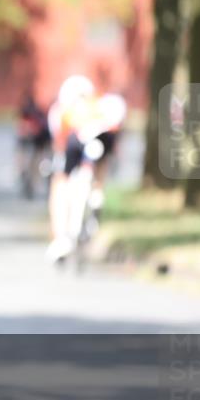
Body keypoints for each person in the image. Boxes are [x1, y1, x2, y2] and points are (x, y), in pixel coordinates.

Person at [45, 76, 125, 262]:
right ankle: (97, 195)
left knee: (60, 182)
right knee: (98, 166)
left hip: (75, 141)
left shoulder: (61, 112)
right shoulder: (102, 106)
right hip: (99, 141)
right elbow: (113, 135)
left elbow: (59, 145)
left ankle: (59, 237)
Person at [16, 92, 51, 198]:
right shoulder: (36, 114)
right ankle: (29, 182)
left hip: (35, 143)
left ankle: (29, 182)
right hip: (34, 143)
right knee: (31, 164)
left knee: (31, 164)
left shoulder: (30, 114)